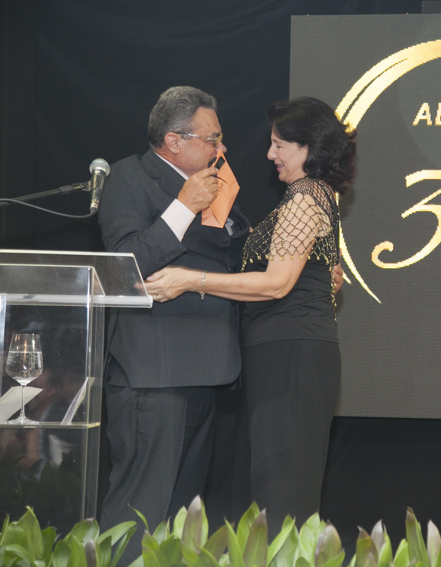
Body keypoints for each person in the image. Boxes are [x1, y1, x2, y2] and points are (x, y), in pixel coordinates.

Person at [145, 96, 355, 532]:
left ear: (309, 147)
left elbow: (276, 283)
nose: (270, 154)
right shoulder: (309, 197)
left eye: (280, 145)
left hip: (291, 357)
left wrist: (191, 279)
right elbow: (309, 276)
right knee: (271, 491)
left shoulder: (305, 197)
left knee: (281, 495)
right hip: (283, 353)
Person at [98, 87, 250, 543]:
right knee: (139, 513)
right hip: (155, 373)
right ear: (174, 141)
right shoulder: (130, 177)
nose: (222, 149)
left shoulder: (214, 184)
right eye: (212, 139)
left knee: (183, 521)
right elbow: (126, 264)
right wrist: (184, 207)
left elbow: (231, 262)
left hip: (208, 370)